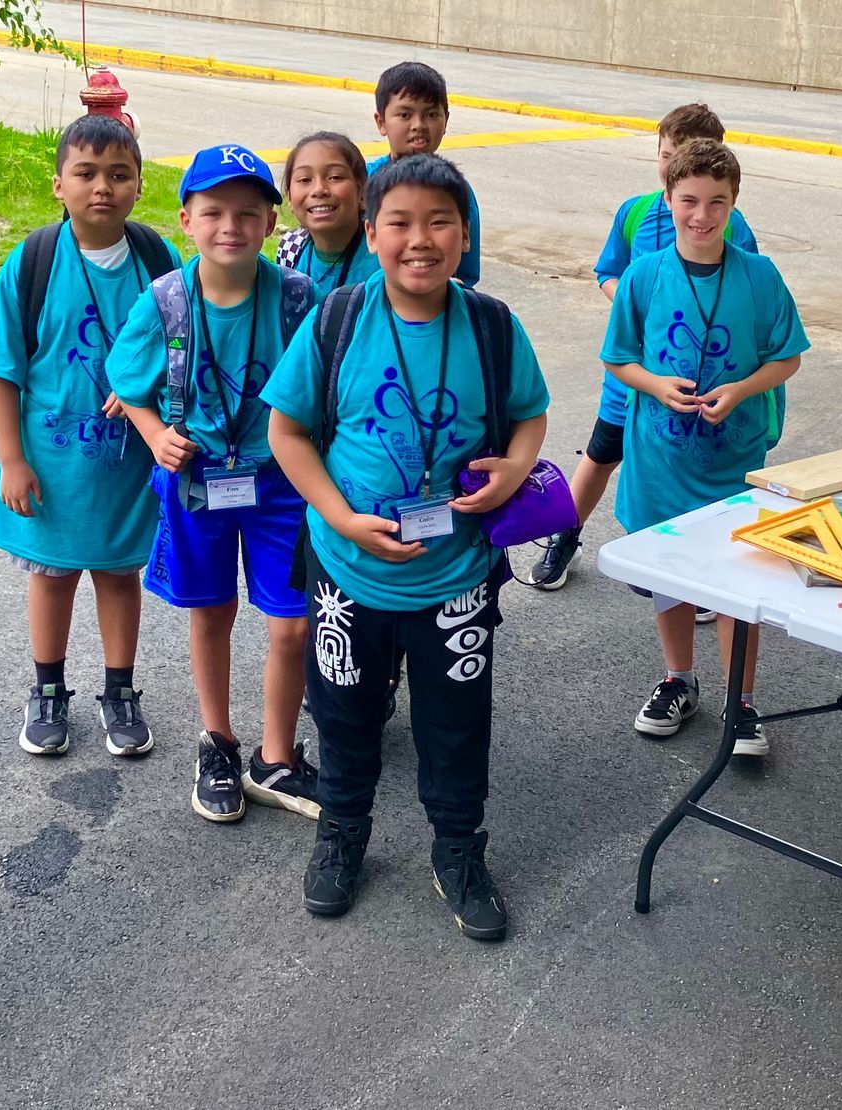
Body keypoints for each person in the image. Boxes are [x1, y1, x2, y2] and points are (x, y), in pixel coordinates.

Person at [265, 154, 551, 941]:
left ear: (464, 234)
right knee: (346, 715)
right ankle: (342, 834)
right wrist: (340, 517)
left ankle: (459, 850)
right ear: (371, 230)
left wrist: (518, 465)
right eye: (399, 223)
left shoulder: (492, 326)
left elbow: (530, 413)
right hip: (347, 572)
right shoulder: (339, 320)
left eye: (439, 222)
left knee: (457, 724)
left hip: (455, 576)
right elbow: (286, 431)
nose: (419, 240)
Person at [107, 144, 320, 824]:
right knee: (212, 613)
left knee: (291, 624)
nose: (231, 226)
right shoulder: (167, 299)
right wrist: (151, 432)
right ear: (187, 220)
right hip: (196, 481)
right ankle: (219, 741)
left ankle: (276, 755)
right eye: (215, 212)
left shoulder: (296, 298)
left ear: (268, 223)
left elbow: (324, 384)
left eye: (248, 214)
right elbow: (125, 379)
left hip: (281, 482)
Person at [0, 113, 179, 758]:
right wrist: (12, 460)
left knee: (119, 575)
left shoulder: (157, 259)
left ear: (140, 185)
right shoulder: (31, 262)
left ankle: (120, 692)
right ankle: (48, 690)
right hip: (51, 462)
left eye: (119, 175)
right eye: (85, 173)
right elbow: (2, 371)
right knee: (53, 576)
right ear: (58, 183)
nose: (102, 188)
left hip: (129, 464)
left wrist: (146, 387)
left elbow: (183, 347)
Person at [600, 139, 808, 758]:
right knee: (672, 574)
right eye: (689, 200)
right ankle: (679, 678)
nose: (701, 215)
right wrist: (656, 385)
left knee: (734, 579)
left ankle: (740, 701)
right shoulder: (644, 275)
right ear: (669, 199)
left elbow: (787, 355)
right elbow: (618, 359)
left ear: (734, 203)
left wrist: (742, 389)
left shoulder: (760, 276)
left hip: (731, 461)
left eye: (717, 202)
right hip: (659, 459)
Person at [527, 102, 760, 594]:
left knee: (694, 473)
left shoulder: (731, 227)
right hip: (633, 378)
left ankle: (695, 571)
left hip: (700, 386)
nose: (672, 164)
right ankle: (565, 535)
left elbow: (747, 304)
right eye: (667, 154)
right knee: (600, 453)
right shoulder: (634, 213)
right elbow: (607, 273)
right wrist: (637, 302)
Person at [368, 62, 480, 287]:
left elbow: (466, 274)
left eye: (431, 114)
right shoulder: (363, 181)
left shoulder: (457, 190)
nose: (418, 125)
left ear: (446, 119)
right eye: (404, 115)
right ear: (381, 122)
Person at [276, 131, 383, 300]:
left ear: (362, 192)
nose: (319, 190)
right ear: (289, 197)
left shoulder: (385, 255)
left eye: (335, 177)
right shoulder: (290, 249)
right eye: (305, 180)